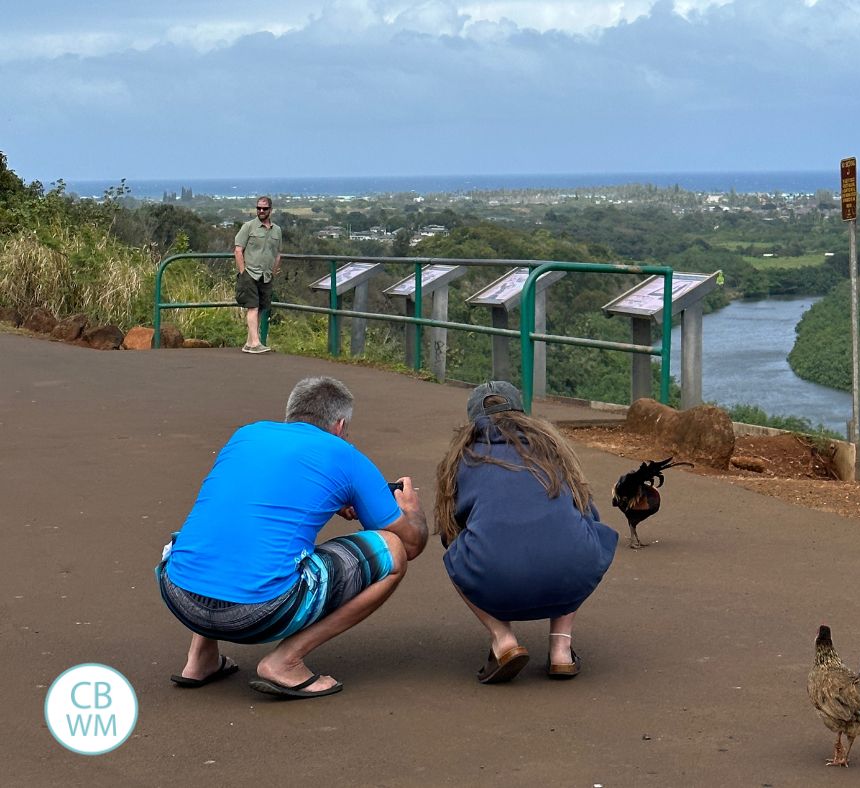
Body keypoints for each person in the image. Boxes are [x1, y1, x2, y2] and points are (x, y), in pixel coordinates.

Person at [156, 376, 428, 698]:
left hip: (179, 594)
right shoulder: (343, 453)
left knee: (216, 533)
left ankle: (200, 658)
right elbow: (411, 543)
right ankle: (286, 661)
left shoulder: (246, 434)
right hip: (260, 612)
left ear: (291, 414)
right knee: (392, 550)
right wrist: (413, 513)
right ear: (340, 425)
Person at [435, 381, 619, 684]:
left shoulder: (462, 459)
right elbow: (587, 512)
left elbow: (449, 529)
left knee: (455, 553)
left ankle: (503, 639)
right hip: (571, 567)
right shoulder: (552, 449)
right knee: (574, 533)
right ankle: (561, 649)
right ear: (521, 413)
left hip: (495, 574)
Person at [234, 195, 282, 353]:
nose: (261, 211)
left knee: (261, 308)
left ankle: (249, 342)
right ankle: (255, 343)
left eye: (264, 208)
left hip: (266, 275)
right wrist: (243, 272)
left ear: (270, 210)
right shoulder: (248, 227)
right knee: (252, 307)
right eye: (258, 208)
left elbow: (278, 254)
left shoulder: (277, 230)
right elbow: (238, 249)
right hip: (250, 273)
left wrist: (273, 272)